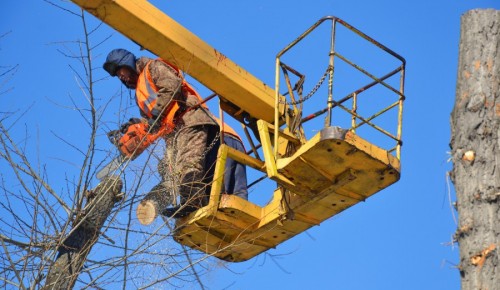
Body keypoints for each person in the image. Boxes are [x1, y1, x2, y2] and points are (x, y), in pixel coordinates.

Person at [103, 48, 247, 218]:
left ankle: (192, 202)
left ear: (127, 63)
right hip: (175, 131)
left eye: (120, 71)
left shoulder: (152, 67)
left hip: (189, 118)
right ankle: (188, 202)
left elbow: (172, 86)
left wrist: (156, 115)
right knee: (168, 168)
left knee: (188, 163)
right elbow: (151, 124)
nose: (121, 77)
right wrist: (137, 127)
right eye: (117, 75)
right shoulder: (139, 95)